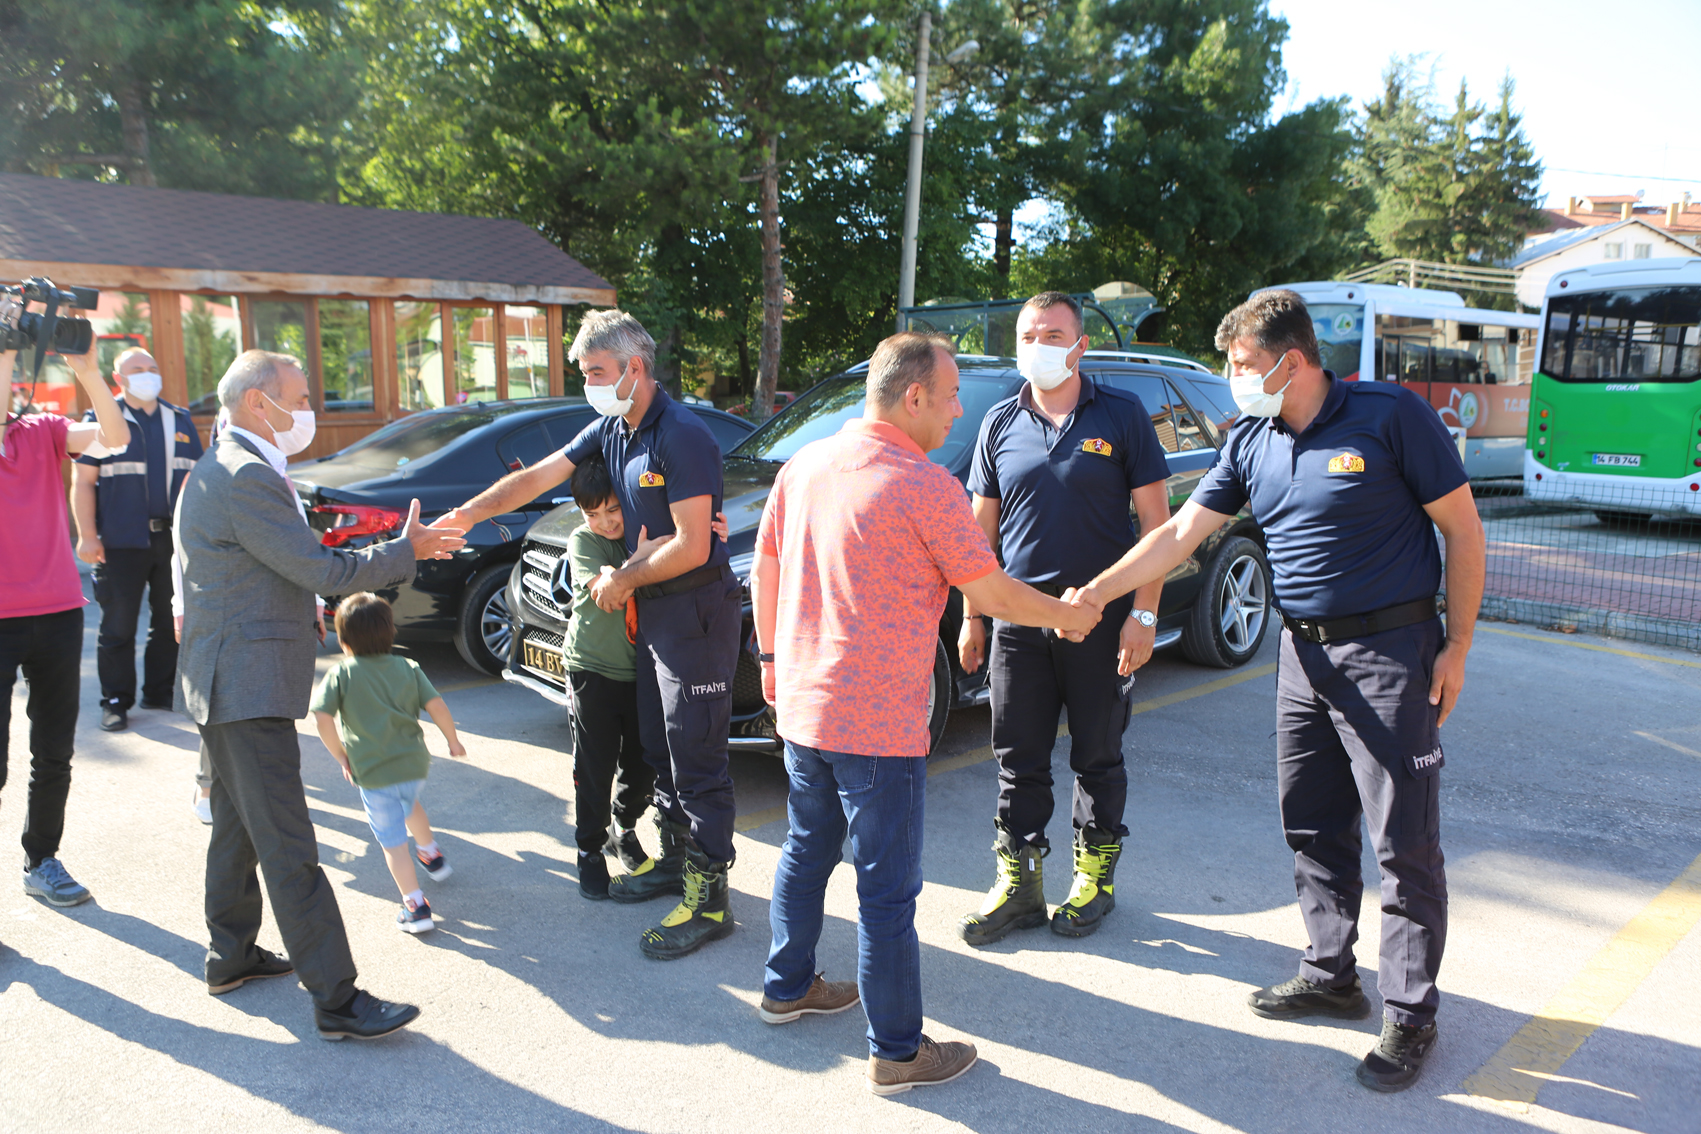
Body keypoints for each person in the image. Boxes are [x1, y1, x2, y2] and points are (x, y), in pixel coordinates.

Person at [1070, 289, 1485, 1093]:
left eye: (1241, 366)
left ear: (1291, 362)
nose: (1233, 380)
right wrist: (1099, 592)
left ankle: (1409, 1015)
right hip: (1299, 655)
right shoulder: (1251, 437)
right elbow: (1181, 533)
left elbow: (1462, 528)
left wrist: (1457, 645)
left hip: (1390, 652)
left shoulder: (1388, 415)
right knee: (1311, 824)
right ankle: (1330, 973)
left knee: (1402, 842)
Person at [752, 332, 1101, 1095]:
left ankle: (786, 987)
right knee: (884, 891)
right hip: (876, 723)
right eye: (947, 401)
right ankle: (899, 1053)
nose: (954, 419)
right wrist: (1067, 618)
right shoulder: (924, 485)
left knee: (806, 849)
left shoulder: (803, 464)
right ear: (912, 396)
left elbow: (766, 563)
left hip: (804, 706)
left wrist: (771, 660)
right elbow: (993, 594)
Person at [175, 349, 465, 1040]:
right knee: (288, 846)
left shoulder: (230, 467)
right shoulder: (246, 475)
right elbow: (320, 570)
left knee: (240, 829)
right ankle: (337, 998)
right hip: (243, 687)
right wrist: (407, 549)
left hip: (227, 683)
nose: (307, 411)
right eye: (298, 398)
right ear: (256, 402)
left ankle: (232, 954)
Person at [435, 310, 741, 960]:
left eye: (596, 372)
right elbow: (535, 478)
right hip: (653, 612)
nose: (588, 385)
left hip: (694, 612)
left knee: (696, 760)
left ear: (634, 367)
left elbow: (690, 547)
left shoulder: (680, 436)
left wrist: (625, 579)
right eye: (583, 374)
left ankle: (709, 898)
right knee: (660, 750)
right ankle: (674, 861)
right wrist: (463, 516)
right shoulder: (613, 427)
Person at [957, 291, 1172, 946]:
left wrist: (1142, 613)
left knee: (1096, 755)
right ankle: (1019, 887)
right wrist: (973, 618)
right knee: (1016, 757)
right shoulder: (998, 421)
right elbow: (977, 537)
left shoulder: (1124, 414)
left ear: (1079, 346)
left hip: (1099, 623)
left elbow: (1157, 527)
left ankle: (1093, 880)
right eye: (1027, 334)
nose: (1037, 345)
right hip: (1018, 623)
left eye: (1052, 334)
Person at [1, 346, 130, 907]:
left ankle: (42, 859)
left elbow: (115, 437)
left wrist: (88, 372)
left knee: (53, 752)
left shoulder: (43, 429)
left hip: (56, 611)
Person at [312, 593, 467, 935]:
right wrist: (452, 740)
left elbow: (322, 718)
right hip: (412, 764)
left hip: (372, 770)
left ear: (345, 639)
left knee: (393, 844)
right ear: (391, 632)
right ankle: (430, 853)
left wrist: (341, 755)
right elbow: (437, 705)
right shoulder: (407, 667)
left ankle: (416, 906)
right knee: (410, 803)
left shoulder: (342, 674)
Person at [71, 347, 204, 735]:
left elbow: (194, 480)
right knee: (118, 625)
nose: (148, 374)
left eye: (153, 367)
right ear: (119, 379)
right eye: (138, 369)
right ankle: (115, 701)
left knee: (168, 621)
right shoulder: (98, 420)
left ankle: (159, 691)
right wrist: (88, 535)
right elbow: (83, 483)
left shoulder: (178, 419)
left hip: (171, 542)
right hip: (119, 543)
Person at [560, 455, 655, 899]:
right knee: (594, 766)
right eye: (592, 513)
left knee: (641, 765)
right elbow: (608, 592)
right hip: (592, 669)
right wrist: (644, 559)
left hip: (641, 673)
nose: (604, 522)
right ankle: (589, 850)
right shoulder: (584, 541)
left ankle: (624, 827)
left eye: (612, 510)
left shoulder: (646, 526)